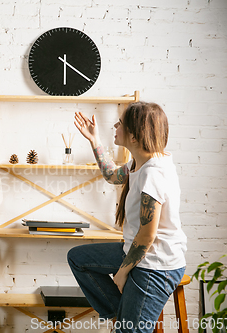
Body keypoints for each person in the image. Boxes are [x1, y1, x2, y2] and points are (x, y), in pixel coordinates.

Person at [67, 102, 187, 333]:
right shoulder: (140, 163)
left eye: (120, 123)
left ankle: (127, 324)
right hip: (139, 251)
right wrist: (94, 140)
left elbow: (147, 235)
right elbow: (112, 176)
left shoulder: (153, 173)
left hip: (155, 265)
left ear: (134, 135)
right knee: (78, 258)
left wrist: (122, 274)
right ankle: (121, 316)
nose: (115, 125)